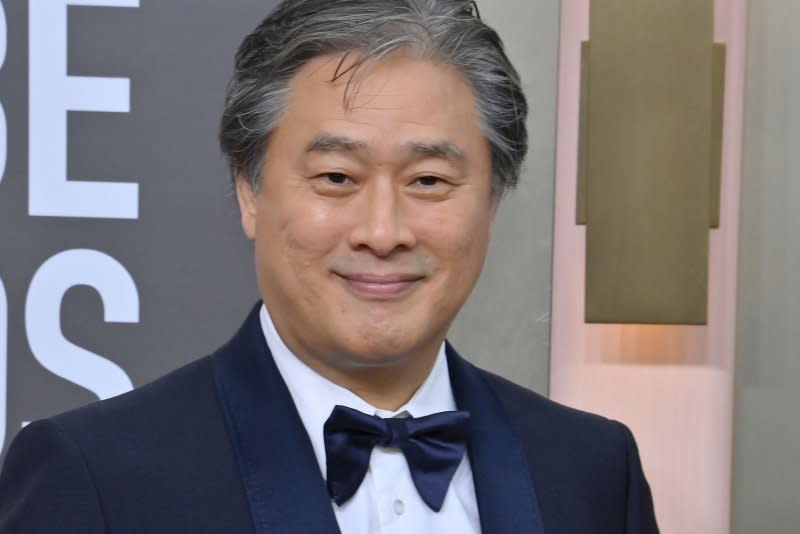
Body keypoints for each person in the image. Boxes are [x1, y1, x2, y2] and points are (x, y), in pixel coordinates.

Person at [0, 0, 658, 532]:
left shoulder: (592, 470)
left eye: (428, 181)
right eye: (337, 176)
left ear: (492, 200)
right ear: (249, 192)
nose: (382, 231)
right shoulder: (94, 475)